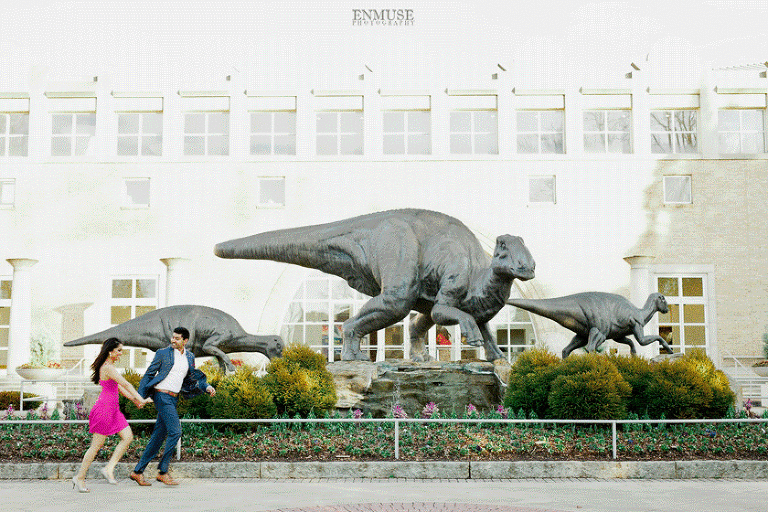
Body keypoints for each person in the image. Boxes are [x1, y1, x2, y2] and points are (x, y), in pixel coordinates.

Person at [130, 327, 216, 486]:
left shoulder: (189, 356)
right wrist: (139, 396)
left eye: (177, 338)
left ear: (185, 341)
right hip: (161, 395)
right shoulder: (163, 353)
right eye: (173, 337)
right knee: (176, 431)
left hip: (173, 398)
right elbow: (149, 374)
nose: (173, 340)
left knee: (158, 437)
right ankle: (163, 472)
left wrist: (206, 387)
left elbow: (192, 378)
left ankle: (138, 472)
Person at [72, 338, 150, 493]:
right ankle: (79, 477)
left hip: (114, 410)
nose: (121, 353)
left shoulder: (110, 367)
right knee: (96, 446)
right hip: (104, 410)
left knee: (127, 437)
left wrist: (135, 400)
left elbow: (119, 387)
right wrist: (141, 398)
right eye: (119, 350)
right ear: (110, 351)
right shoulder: (107, 367)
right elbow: (126, 384)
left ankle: (108, 468)